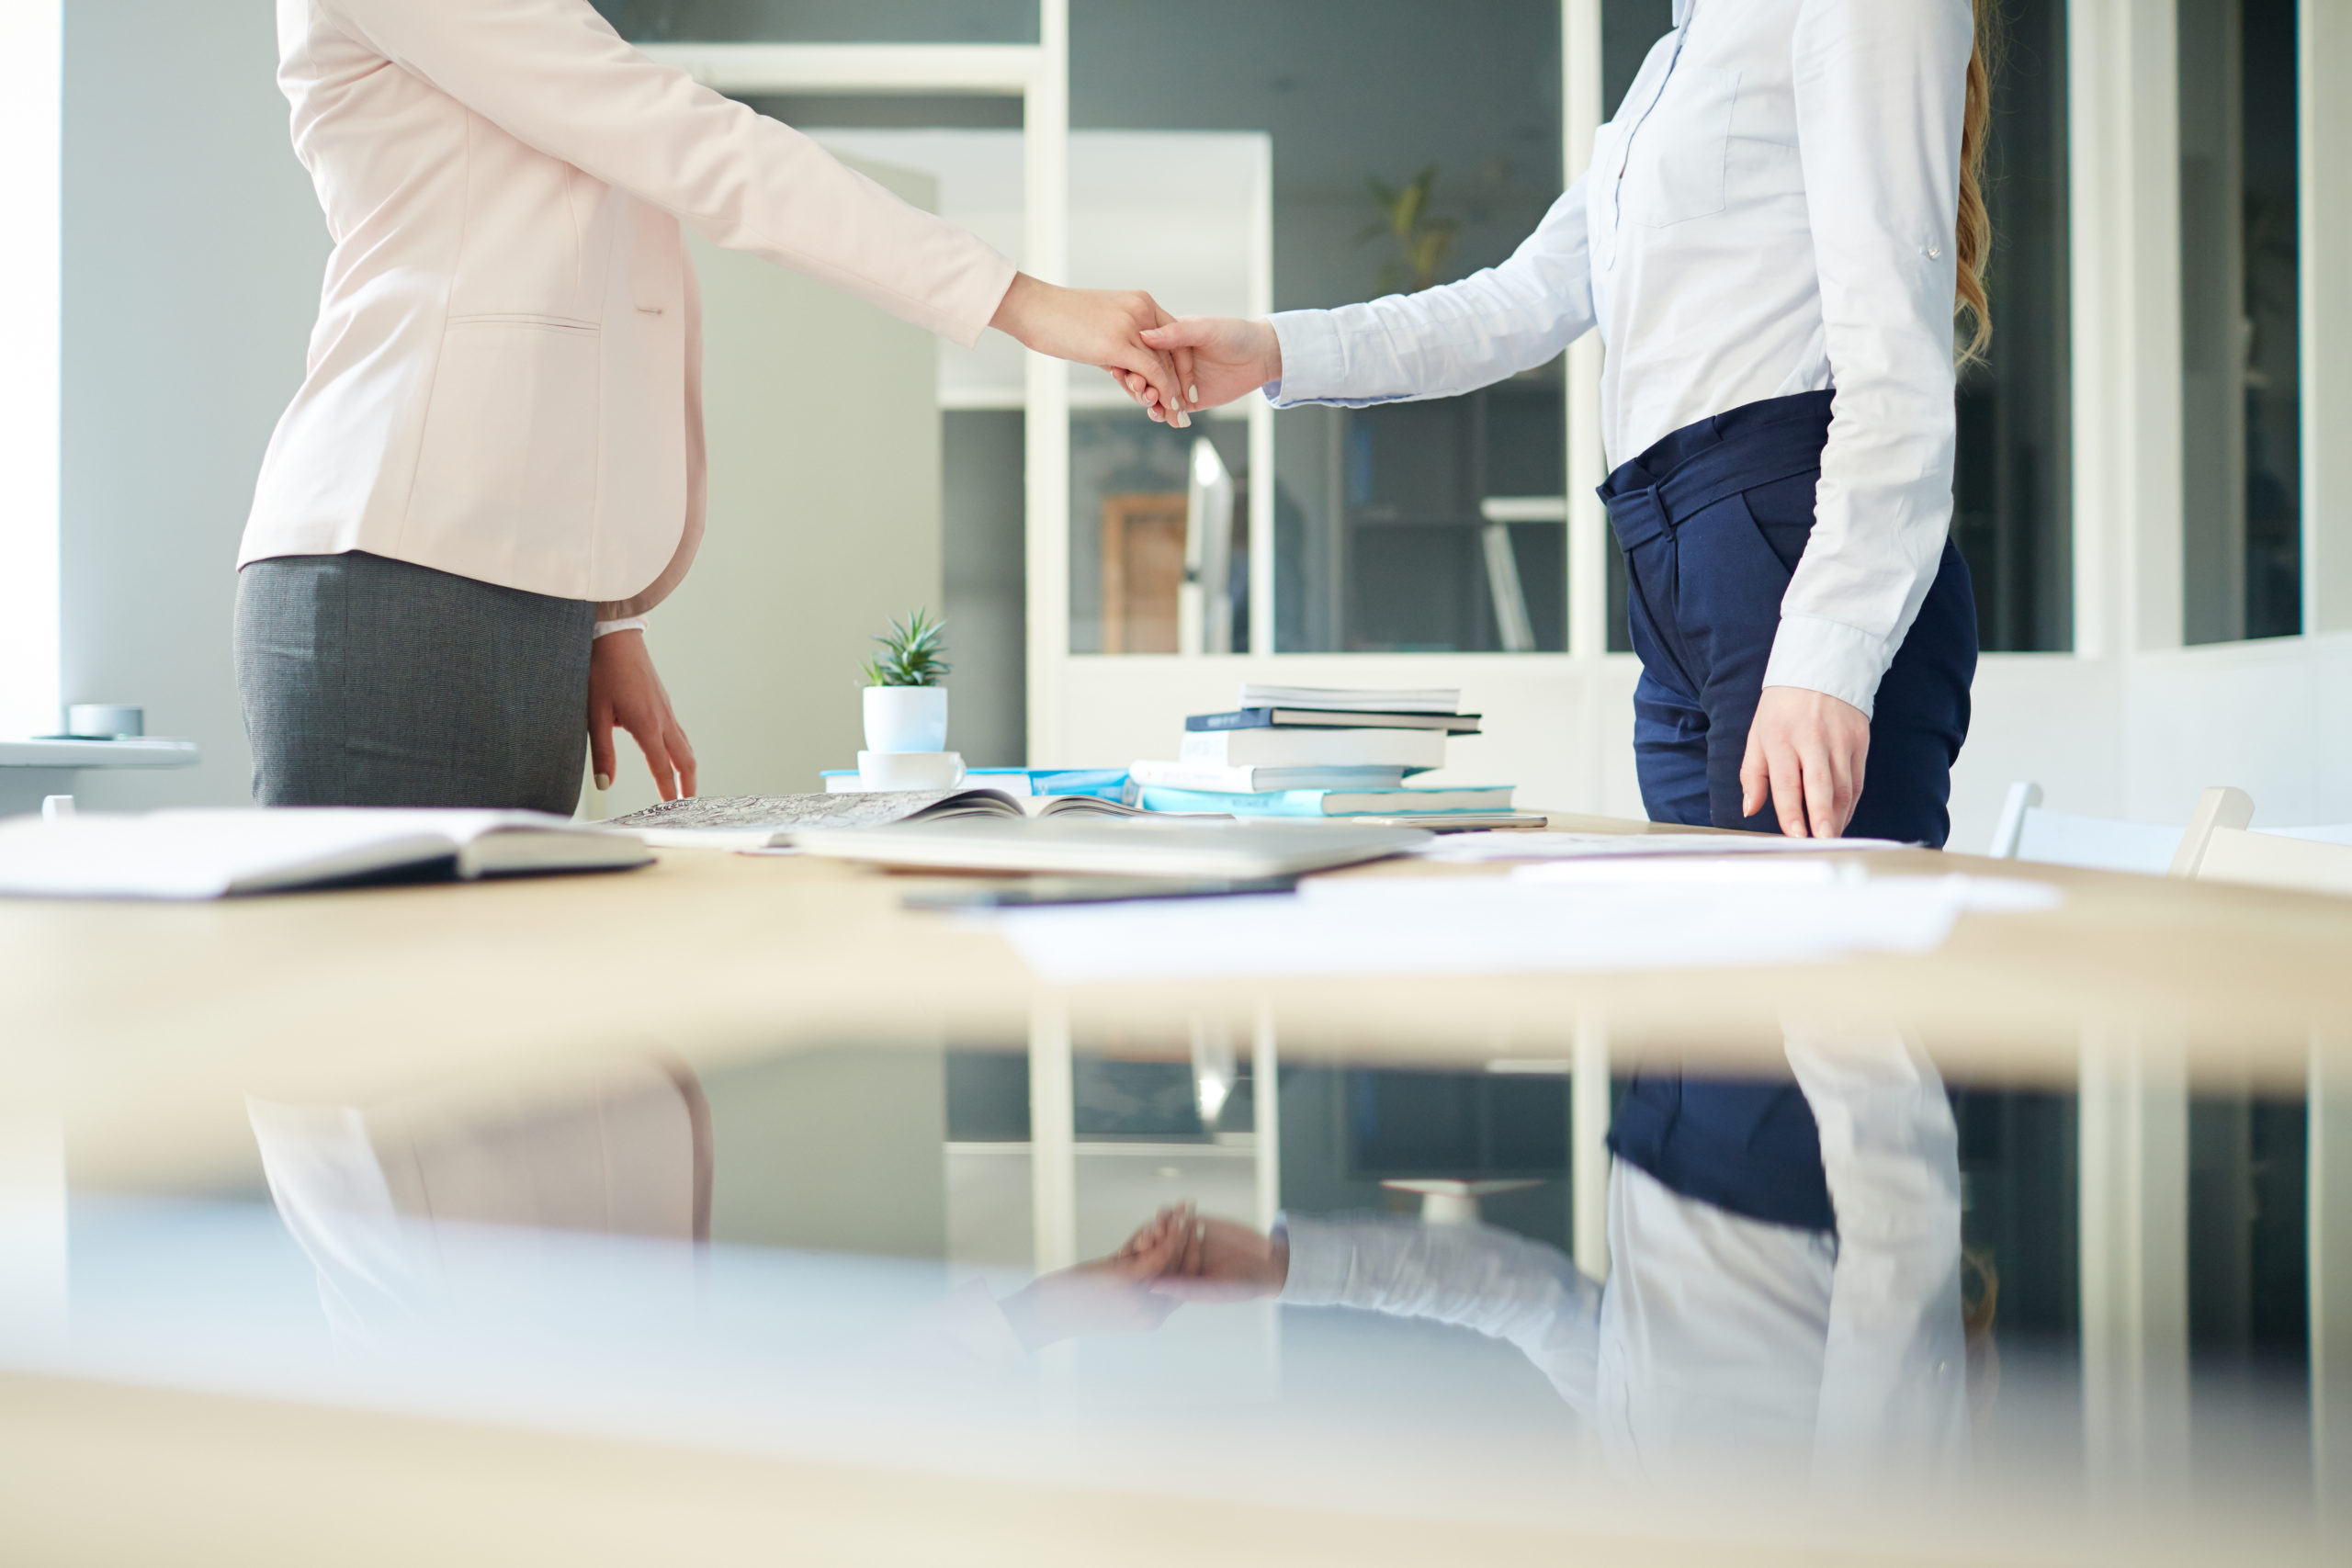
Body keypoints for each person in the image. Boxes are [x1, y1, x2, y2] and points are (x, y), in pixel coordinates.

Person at [1115, 0, 1994, 1252]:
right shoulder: (1673, 59)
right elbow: (1519, 301)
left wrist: (1827, 646)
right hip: (1680, 565)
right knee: (1706, 1076)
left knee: (1824, 1070)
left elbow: (1895, 359)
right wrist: (1269, 351)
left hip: (1791, 564)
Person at [237, 0, 1201, 813]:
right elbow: (686, 140)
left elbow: (559, 295)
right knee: (398, 1010)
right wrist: (1022, 302)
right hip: (397, 573)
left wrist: (605, 619)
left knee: (500, 1002)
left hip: (497, 582)